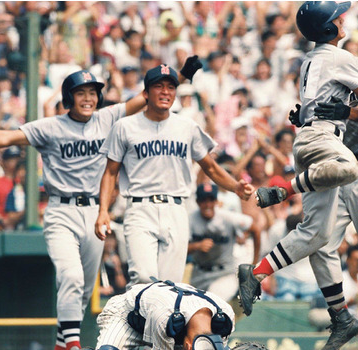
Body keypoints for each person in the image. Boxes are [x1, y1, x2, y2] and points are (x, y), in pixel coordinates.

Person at [0, 57, 204, 350]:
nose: (88, 98)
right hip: (61, 210)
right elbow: (6, 136)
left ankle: (62, 344)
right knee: (70, 276)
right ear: (68, 98)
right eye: (81, 93)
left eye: (92, 92)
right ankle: (71, 344)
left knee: (83, 288)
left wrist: (183, 75)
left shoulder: (108, 117)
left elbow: (149, 94)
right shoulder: (51, 127)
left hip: (95, 211)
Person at [240, 8, 358, 350]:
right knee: (318, 240)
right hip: (335, 164)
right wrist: (310, 114)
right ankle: (340, 316)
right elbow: (330, 103)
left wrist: (337, 110)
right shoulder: (347, 60)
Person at [95, 64, 254, 287]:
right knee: (143, 277)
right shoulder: (125, 126)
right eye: (158, 86)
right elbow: (110, 172)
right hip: (140, 208)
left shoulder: (187, 126)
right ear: (146, 93)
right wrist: (103, 211)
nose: (165, 92)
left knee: (170, 286)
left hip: (177, 208)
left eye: (171, 87)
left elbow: (209, 166)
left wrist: (235, 187)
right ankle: (135, 320)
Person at [49, 279, 244, 350]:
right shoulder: (165, 315)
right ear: (187, 344)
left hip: (166, 321)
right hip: (128, 316)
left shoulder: (225, 315)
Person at [188, 183, 260, 302]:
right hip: (198, 274)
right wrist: (196, 246)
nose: (207, 204)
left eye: (211, 200)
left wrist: (254, 263)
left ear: (216, 201)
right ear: (197, 202)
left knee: (212, 302)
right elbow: (178, 248)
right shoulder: (190, 219)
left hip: (224, 274)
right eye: (203, 200)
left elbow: (255, 230)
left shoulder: (227, 217)